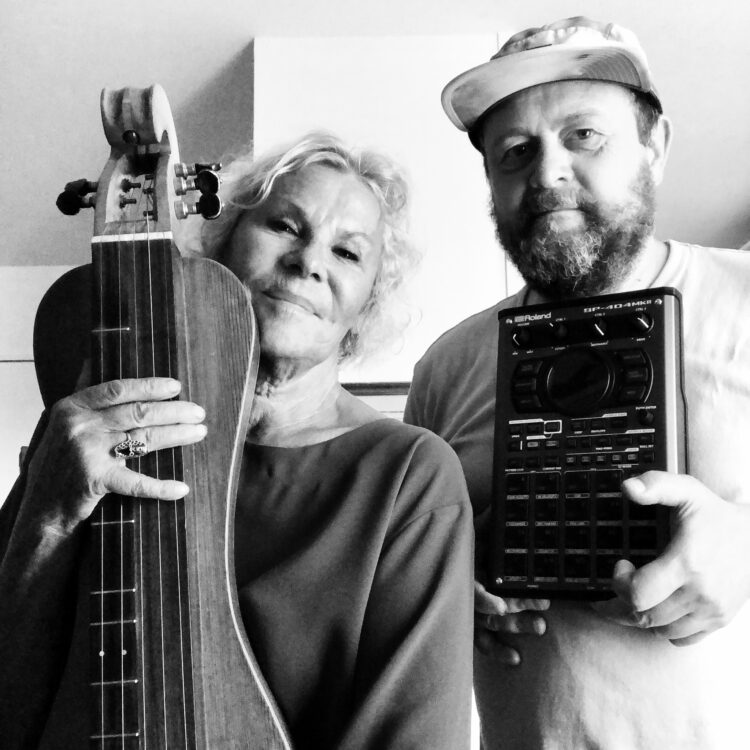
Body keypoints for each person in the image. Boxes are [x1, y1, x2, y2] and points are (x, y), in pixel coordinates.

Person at [0, 133, 474, 749]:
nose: (309, 262)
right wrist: (48, 513)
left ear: (367, 304)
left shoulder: (407, 474)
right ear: (223, 243)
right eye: (285, 226)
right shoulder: (95, 429)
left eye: (347, 253)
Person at [404, 16, 750, 750]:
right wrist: (447, 596)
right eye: (515, 152)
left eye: (583, 135)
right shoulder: (445, 369)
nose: (547, 173)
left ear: (655, 145)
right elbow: (417, 570)